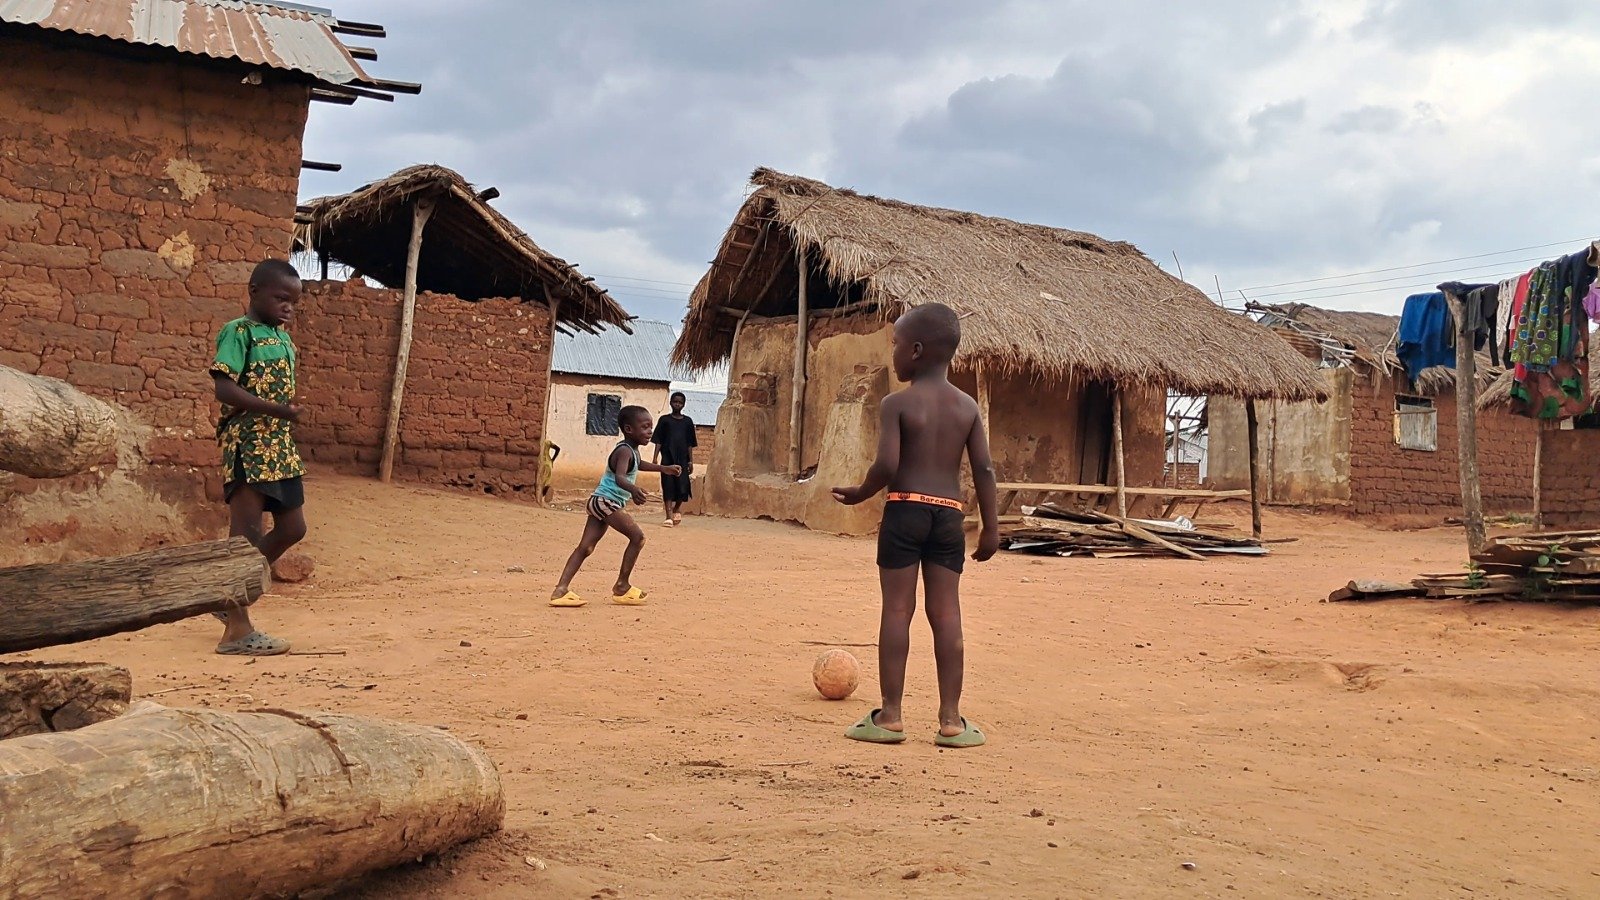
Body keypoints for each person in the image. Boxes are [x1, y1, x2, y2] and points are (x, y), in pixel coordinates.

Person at [831, 303, 999, 748]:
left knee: (897, 611)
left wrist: (861, 492)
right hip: (948, 515)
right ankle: (951, 721)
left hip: (904, 511)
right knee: (946, 615)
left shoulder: (897, 404)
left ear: (918, 351)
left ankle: (890, 716)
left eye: (897, 345)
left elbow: (887, 463)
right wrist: (992, 528)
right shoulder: (967, 407)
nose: (895, 354)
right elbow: (983, 469)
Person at [208, 258, 308, 656]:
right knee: (246, 537)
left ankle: (229, 594)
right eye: (281, 298)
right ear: (254, 292)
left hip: (280, 446)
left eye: (294, 302)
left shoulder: (283, 338)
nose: (288, 307)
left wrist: (283, 418)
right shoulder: (238, 332)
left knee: (293, 528)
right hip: (247, 444)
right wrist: (276, 409)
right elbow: (223, 388)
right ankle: (236, 629)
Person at [550, 406, 681, 608]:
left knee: (586, 547)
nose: (649, 432)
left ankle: (560, 590)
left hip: (599, 502)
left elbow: (639, 464)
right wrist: (634, 489)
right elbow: (620, 477)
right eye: (645, 427)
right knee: (638, 537)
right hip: (606, 502)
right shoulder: (623, 451)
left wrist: (664, 468)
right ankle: (622, 586)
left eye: (650, 427)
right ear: (629, 429)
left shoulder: (631, 451)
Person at [651, 391, 697, 526]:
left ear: (684, 404)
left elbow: (690, 443)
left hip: (683, 459)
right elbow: (658, 440)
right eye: (675, 401)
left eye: (680, 402)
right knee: (668, 486)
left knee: (683, 487)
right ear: (671, 402)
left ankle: (677, 509)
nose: (677, 404)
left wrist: (691, 461)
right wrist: (655, 458)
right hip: (667, 458)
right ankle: (668, 516)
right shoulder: (664, 420)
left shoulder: (688, 422)